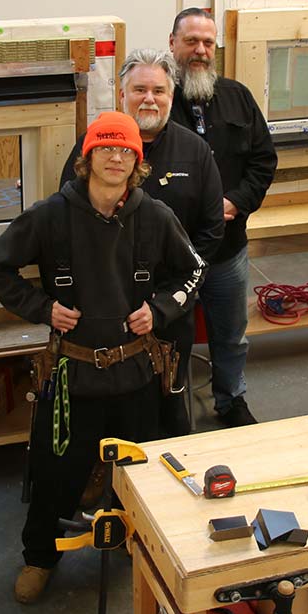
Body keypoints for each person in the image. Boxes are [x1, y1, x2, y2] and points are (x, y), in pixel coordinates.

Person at [0, 112, 203, 603]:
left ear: (137, 161)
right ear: (87, 158)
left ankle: (141, 543)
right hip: (72, 375)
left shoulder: (155, 216)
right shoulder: (50, 216)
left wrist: (161, 309)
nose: (116, 157)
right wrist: (42, 308)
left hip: (137, 374)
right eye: (105, 148)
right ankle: (40, 556)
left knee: (143, 475)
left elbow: (194, 271)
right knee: (56, 473)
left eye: (125, 150)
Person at [60, 49, 223, 437]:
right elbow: (68, 221)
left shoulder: (195, 152)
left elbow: (211, 232)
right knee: (109, 411)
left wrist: (167, 302)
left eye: (159, 91)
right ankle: (111, 483)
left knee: (169, 405)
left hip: (168, 310)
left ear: (172, 96)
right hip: (105, 313)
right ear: (121, 95)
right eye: (139, 90)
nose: (149, 99)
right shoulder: (90, 148)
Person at [167, 7, 277, 427]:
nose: (200, 50)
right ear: (172, 43)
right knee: (170, 337)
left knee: (231, 336)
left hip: (228, 251)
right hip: (173, 255)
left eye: (207, 43)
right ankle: (170, 407)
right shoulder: (157, 102)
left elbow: (264, 161)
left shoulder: (238, 97)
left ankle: (231, 400)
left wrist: (234, 202)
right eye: (191, 41)